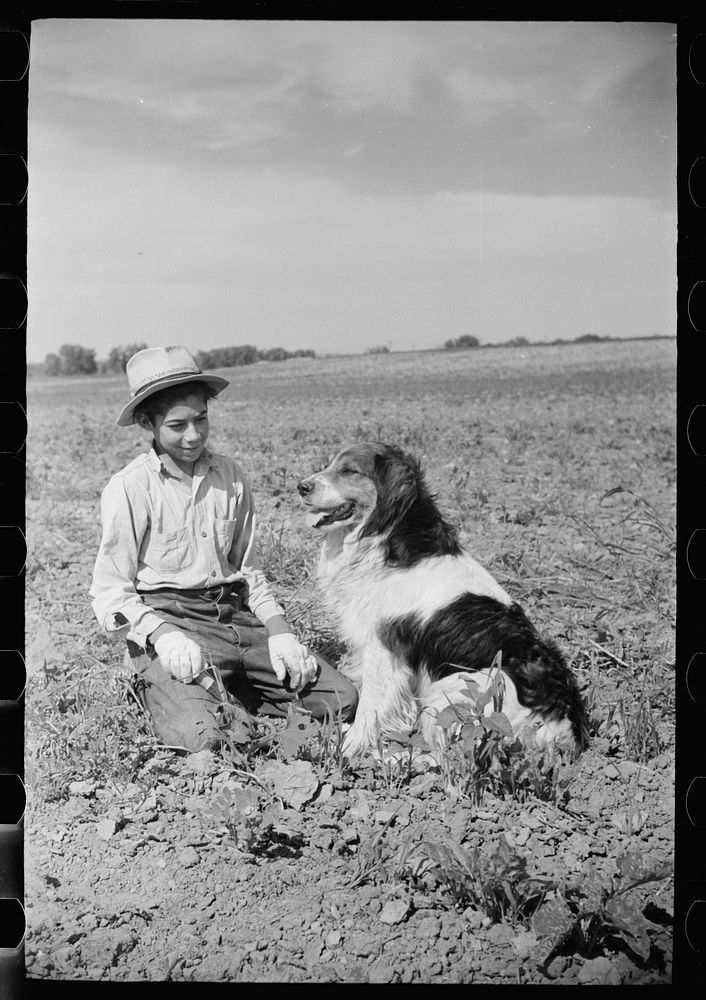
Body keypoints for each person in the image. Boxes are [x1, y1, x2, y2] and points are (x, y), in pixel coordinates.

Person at [90, 345, 358, 752]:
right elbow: (110, 591)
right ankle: (157, 680)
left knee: (340, 700)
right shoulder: (130, 488)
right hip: (173, 621)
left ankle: (227, 686)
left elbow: (249, 571)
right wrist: (163, 636)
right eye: (177, 425)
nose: (194, 435)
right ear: (148, 423)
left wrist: (282, 634)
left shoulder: (230, 475)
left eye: (201, 419)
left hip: (236, 620)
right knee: (207, 737)